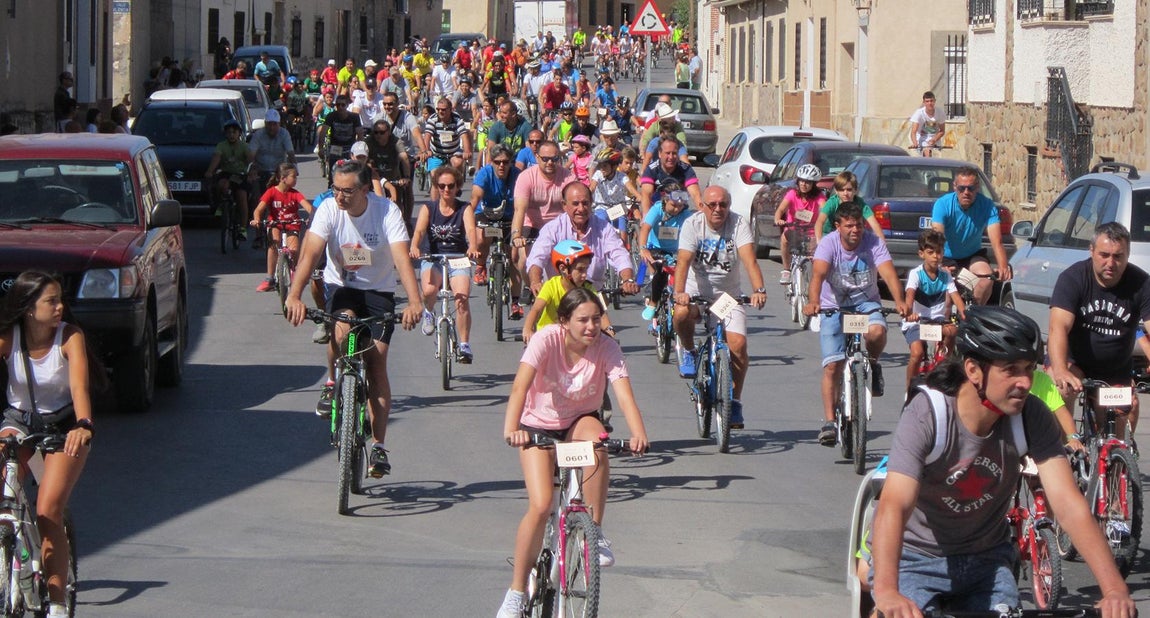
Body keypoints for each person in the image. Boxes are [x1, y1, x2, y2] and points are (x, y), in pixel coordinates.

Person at [867, 306, 1136, 618]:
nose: (1024, 382)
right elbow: (894, 504)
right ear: (973, 370)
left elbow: (1068, 503)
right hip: (914, 558)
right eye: (1010, 369)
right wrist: (887, 592)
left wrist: (1114, 589)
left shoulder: (1031, 416)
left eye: (1029, 368)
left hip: (987, 562)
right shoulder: (930, 413)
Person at [495, 286, 649, 618]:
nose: (591, 327)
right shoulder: (546, 340)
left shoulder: (608, 348)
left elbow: (624, 394)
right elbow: (520, 386)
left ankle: (593, 531)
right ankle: (516, 592)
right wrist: (512, 429)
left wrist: (639, 433)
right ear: (565, 321)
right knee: (540, 505)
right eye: (583, 320)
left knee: (599, 443)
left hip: (579, 420)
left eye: (596, 319)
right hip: (538, 426)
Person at [284, 160, 425, 478]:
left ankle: (378, 445)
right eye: (335, 189)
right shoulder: (329, 209)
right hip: (343, 287)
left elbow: (402, 257)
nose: (339, 197)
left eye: (347, 191)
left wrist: (415, 301)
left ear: (365, 190)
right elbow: (309, 254)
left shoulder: (386, 211)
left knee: (377, 363)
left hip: (379, 291)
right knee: (341, 326)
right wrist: (294, 295)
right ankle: (333, 380)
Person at [0, 271, 95, 618]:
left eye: (60, 299)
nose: (60, 307)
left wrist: (83, 425)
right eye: (50, 301)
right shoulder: (8, 338)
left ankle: (55, 601)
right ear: (27, 309)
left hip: (64, 425)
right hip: (18, 422)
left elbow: (79, 389)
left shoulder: (69, 337)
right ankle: (11, 550)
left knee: (46, 511)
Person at [803, 202, 907, 445]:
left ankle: (873, 362)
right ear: (838, 226)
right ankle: (829, 422)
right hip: (833, 306)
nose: (855, 230)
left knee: (877, 331)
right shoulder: (829, 243)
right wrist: (813, 301)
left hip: (865, 304)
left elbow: (889, 273)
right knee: (833, 366)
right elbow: (818, 275)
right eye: (849, 225)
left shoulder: (873, 242)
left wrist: (901, 301)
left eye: (859, 225)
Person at [672, 186, 767, 429]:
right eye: (712, 205)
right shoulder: (692, 225)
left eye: (723, 204)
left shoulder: (738, 224)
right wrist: (679, 293)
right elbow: (683, 261)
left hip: (726, 297)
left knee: (738, 346)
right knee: (681, 314)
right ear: (702, 206)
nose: (718, 209)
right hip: (695, 293)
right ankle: (690, 350)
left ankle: (734, 401)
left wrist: (759, 290)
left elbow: (749, 260)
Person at [1048, 222, 1150, 437]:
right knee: (1062, 390)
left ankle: (1116, 463)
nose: (1110, 263)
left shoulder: (1142, 283)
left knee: (1118, 425)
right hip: (1074, 361)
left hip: (1114, 369)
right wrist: (1060, 369)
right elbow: (1058, 328)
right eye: (1104, 255)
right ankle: (1064, 448)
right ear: (1091, 251)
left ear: (1128, 255)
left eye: (1118, 256)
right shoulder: (1073, 278)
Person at [409, 165, 480, 363]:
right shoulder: (429, 208)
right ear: (437, 187)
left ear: (457, 187)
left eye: (450, 186)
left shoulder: (464, 208)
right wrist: (415, 246)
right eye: (442, 186)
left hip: (457, 258)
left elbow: (471, 230)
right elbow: (420, 232)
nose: (446, 190)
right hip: (434, 257)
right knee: (430, 291)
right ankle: (429, 313)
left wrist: (472, 246)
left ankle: (464, 345)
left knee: (461, 299)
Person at [526, 181, 639, 297]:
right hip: (559, 296)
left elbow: (619, 254)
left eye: (585, 203)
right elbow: (537, 258)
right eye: (575, 204)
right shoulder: (552, 229)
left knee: (603, 315)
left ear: (591, 203)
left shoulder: (604, 228)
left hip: (593, 295)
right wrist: (535, 282)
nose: (581, 208)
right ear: (564, 205)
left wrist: (627, 280)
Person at [511, 141, 576, 317]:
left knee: (564, 266)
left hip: (558, 226)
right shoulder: (526, 177)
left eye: (554, 159)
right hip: (531, 224)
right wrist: (516, 234)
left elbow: (574, 208)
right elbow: (520, 209)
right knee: (524, 261)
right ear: (537, 158)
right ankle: (531, 285)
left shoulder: (568, 177)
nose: (549, 163)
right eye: (545, 159)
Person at [929, 166, 1011, 305]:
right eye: (962, 188)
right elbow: (937, 238)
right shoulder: (943, 204)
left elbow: (997, 241)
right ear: (955, 187)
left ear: (977, 188)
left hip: (972, 256)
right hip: (947, 257)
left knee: (986, 279)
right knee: (948, 298)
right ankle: (946, 320)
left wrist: (1003, 267)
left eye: (971, 188)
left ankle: (973, 314)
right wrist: (939, 264)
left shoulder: (987, 205)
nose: (966, 192)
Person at [901, 230, 965, 388]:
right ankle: (909, 390)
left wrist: (966, 315)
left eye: (939, 252)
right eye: (931, 252)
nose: (936, 256)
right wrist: (909, 312)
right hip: (917, 321)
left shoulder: (945, 276)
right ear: (921, 254)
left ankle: (942, 365)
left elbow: (956, 296)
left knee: (952, 331)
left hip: (937, 321)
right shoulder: (916, 274)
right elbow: (910, 295)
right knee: (917, 353)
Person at [523, 240, 613, 344]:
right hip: (548, 340)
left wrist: (608, 330)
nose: (584, 275)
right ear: (563, 269)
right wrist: (528, 329)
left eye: (586, 269)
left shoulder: (588, 287)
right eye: (580, 269)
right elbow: (536, 310)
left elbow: (601, 313)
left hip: (576, 340)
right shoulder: (551, 286)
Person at [250, 162, 315, 292]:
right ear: (283, 178)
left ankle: (295, 273)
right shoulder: (271, 192)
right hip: (276, 224)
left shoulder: (295, 194)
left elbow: (309, 208)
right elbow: (258, 210)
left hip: (292, 224)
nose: (296, 179)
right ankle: (269, 278)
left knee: (295, 249)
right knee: (274, 244)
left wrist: (312, 218)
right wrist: (257, 220)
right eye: (294, 177)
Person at [638, 179, 693, 325]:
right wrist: (643, 249)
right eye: (674, 205)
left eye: (680, 206)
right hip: (656, 248)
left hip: (676, 250)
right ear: (665, 200)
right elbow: (645, 229)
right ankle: (653, 303)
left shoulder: (686, 214)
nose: (677, 209)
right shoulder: (657, 209)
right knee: (662, 270)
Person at [470, 144, 520, 287]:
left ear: (511, 162)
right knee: (481, 239)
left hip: (509, 214)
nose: (501, 166)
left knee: (513, 252)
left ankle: (514, 289)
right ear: (491, 162)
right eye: (497, 162)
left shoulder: (517, 175)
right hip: (486, 212)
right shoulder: (484, 174)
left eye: (505, 162)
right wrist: (466, 221)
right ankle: (481, 267)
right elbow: (475, 198)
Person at [773, 163, 826, 284]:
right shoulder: (792, 194)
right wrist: (778, 219)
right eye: (801, 181)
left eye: (807, 182)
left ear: (813, 184)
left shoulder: (818, 196)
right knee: (784, 239)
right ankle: (786, 270)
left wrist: (826, 218)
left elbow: (824, 208)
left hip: (812, 231)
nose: (803, 184)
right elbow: (780, 210)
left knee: (817, 256)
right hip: (794, 229)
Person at [204, 120, 254, 239]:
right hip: (226, 173)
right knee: (221, 185)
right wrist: (210, 171)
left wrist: (252, 172)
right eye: (229, 132)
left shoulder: (244, 146)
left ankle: (242, 228)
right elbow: (217, 158)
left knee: (242, 197)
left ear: (239, 133)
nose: (231, 135)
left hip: (240, 175)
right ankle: (222, 205)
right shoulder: (222, 145)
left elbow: (251, 160)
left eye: (234, 132)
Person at [814, 170, 885, 244]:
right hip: (829, 234)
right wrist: (819, 242)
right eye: (842, 190)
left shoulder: (860, 203)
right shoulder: (832, 202)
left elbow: (874, 224)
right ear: (836, 191)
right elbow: (819, 222)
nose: (845, 193)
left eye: (849, 190)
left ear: (855, 190)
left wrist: (882, 247)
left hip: (849, 236)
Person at [639, 137, 702, 218]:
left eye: (674, 153)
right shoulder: (651, 169)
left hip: (680, 211)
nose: (671, 157)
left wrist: (703, 217)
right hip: (656, 212)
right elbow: (646, 195)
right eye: (667, 153)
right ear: (660, 154)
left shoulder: (686, 169)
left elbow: (695, 194)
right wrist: (645, 217)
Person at [421, 98, 472, 177]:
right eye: (438, 109)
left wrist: (467, 151)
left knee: (458, 163)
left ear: (450, 110)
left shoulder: (457, 120)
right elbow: (427, 136)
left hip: (453, 152)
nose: (440, 112)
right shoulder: (432, 120)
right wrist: (426, 151)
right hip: (436, 153)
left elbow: (464, 136)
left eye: (443, 109)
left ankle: (457, 184)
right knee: (435, 177)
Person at [365, 118, 412, 202]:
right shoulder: (368, 141)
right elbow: (362, 156)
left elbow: (404, 157)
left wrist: (406, 177)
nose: (378, 135)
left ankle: (404, 213)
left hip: (393, 177)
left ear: (389, 132)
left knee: (400, 199)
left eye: (382, 133)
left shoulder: (396, 141)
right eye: (376, 132)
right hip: (376, 177)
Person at [321, 96, 364, 182]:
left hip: (350, 147)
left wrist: (359, 149)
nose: (340, 107)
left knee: (352, 170)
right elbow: (323, 132)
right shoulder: (331, 116)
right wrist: (321, 148)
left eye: (343, 105)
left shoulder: (354, 117)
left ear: (347, 105)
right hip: (335, 147)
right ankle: (331, 185)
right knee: (333, 171)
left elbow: (360, 134)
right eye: (338, 105)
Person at [908, 90, 946, 156]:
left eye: (931, 101)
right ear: (924, 102)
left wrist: (934, 140)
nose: (930, 103)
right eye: (927, 101)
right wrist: (915, 143)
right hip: (921, 138)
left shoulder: (940, 113)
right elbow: (913, 132)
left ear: (934, 101)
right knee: (927, 152)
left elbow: (942, 131)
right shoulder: (919, 113)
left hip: (934, 139)